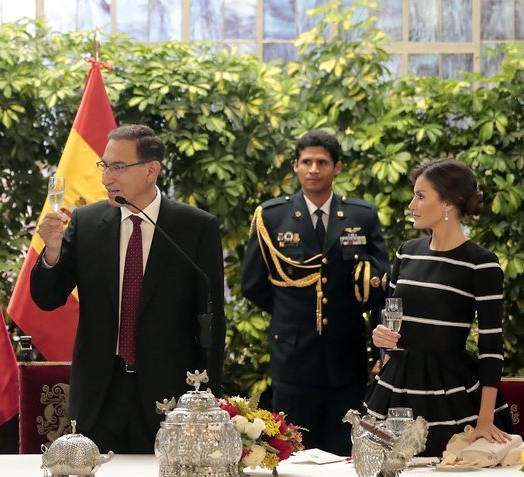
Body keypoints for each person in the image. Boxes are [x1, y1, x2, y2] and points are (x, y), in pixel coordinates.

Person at [31, 125, 225, 454]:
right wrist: (51, 251)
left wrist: (209, 398)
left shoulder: (196, 228)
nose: (107, 177)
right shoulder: (87, 223)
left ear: (152, 170)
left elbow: (211, 320)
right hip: (99, 395)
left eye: (118, 167)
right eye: (104, 166)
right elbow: (48, 299)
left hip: (169, 395)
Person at [241, 130, 389, 455]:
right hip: (294, 359)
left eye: (322, 162)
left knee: (344, 455)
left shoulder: (361, 216)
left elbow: (380, 284)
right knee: (293, 455)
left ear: (337, 168)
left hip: (346, 358)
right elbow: (252, 284)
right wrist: (291, 312)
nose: (313, 169)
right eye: (306, 161)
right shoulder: (272, 216)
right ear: (295, 166)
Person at [366, 159, 512, 456]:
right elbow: (391, 318)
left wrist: (484, 420)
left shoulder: (481, 263)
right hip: (397, 387)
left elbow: (491, 347)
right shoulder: (406, 252)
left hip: (452, 393)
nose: (411, 205)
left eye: (421, 196)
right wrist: (382, 339)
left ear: (448, 202)